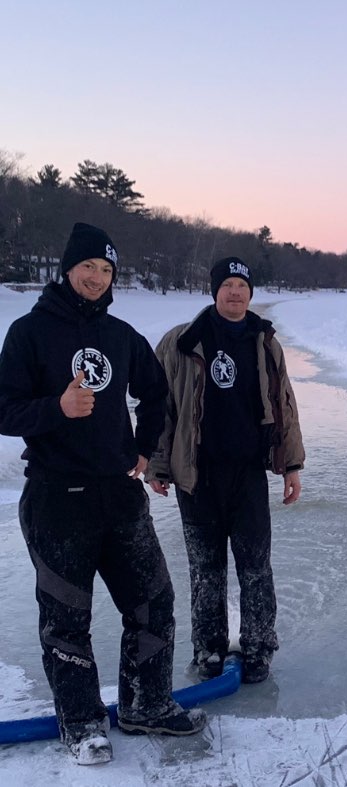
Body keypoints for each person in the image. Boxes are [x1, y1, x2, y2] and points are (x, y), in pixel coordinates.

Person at [0, 223, 207, 766]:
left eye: (107, 270)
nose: (96, 277)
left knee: (153, 601)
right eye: (88, 266)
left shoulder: (120, 335)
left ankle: (146, 703)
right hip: (56, 500)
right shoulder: (28, 333)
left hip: (119, 495)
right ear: (68, 268)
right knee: (68, 620)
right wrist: (55, 409)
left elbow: (156, 391)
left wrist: (144, 446)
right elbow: (4, 408)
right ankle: (83, 723)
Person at [147, 256, 304, 684]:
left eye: (242, 285)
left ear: (251, 293)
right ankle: (209, 649)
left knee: (256, 567)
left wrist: (290, 465)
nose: (235, 292)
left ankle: (258, 647)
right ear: (214, 290)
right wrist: (158, 463)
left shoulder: (264, 342)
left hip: (248, 474)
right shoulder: (181, 342)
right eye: (227, 284)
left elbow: (285, 404)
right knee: (205, 568)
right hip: (196, 476)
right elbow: (159, 410)